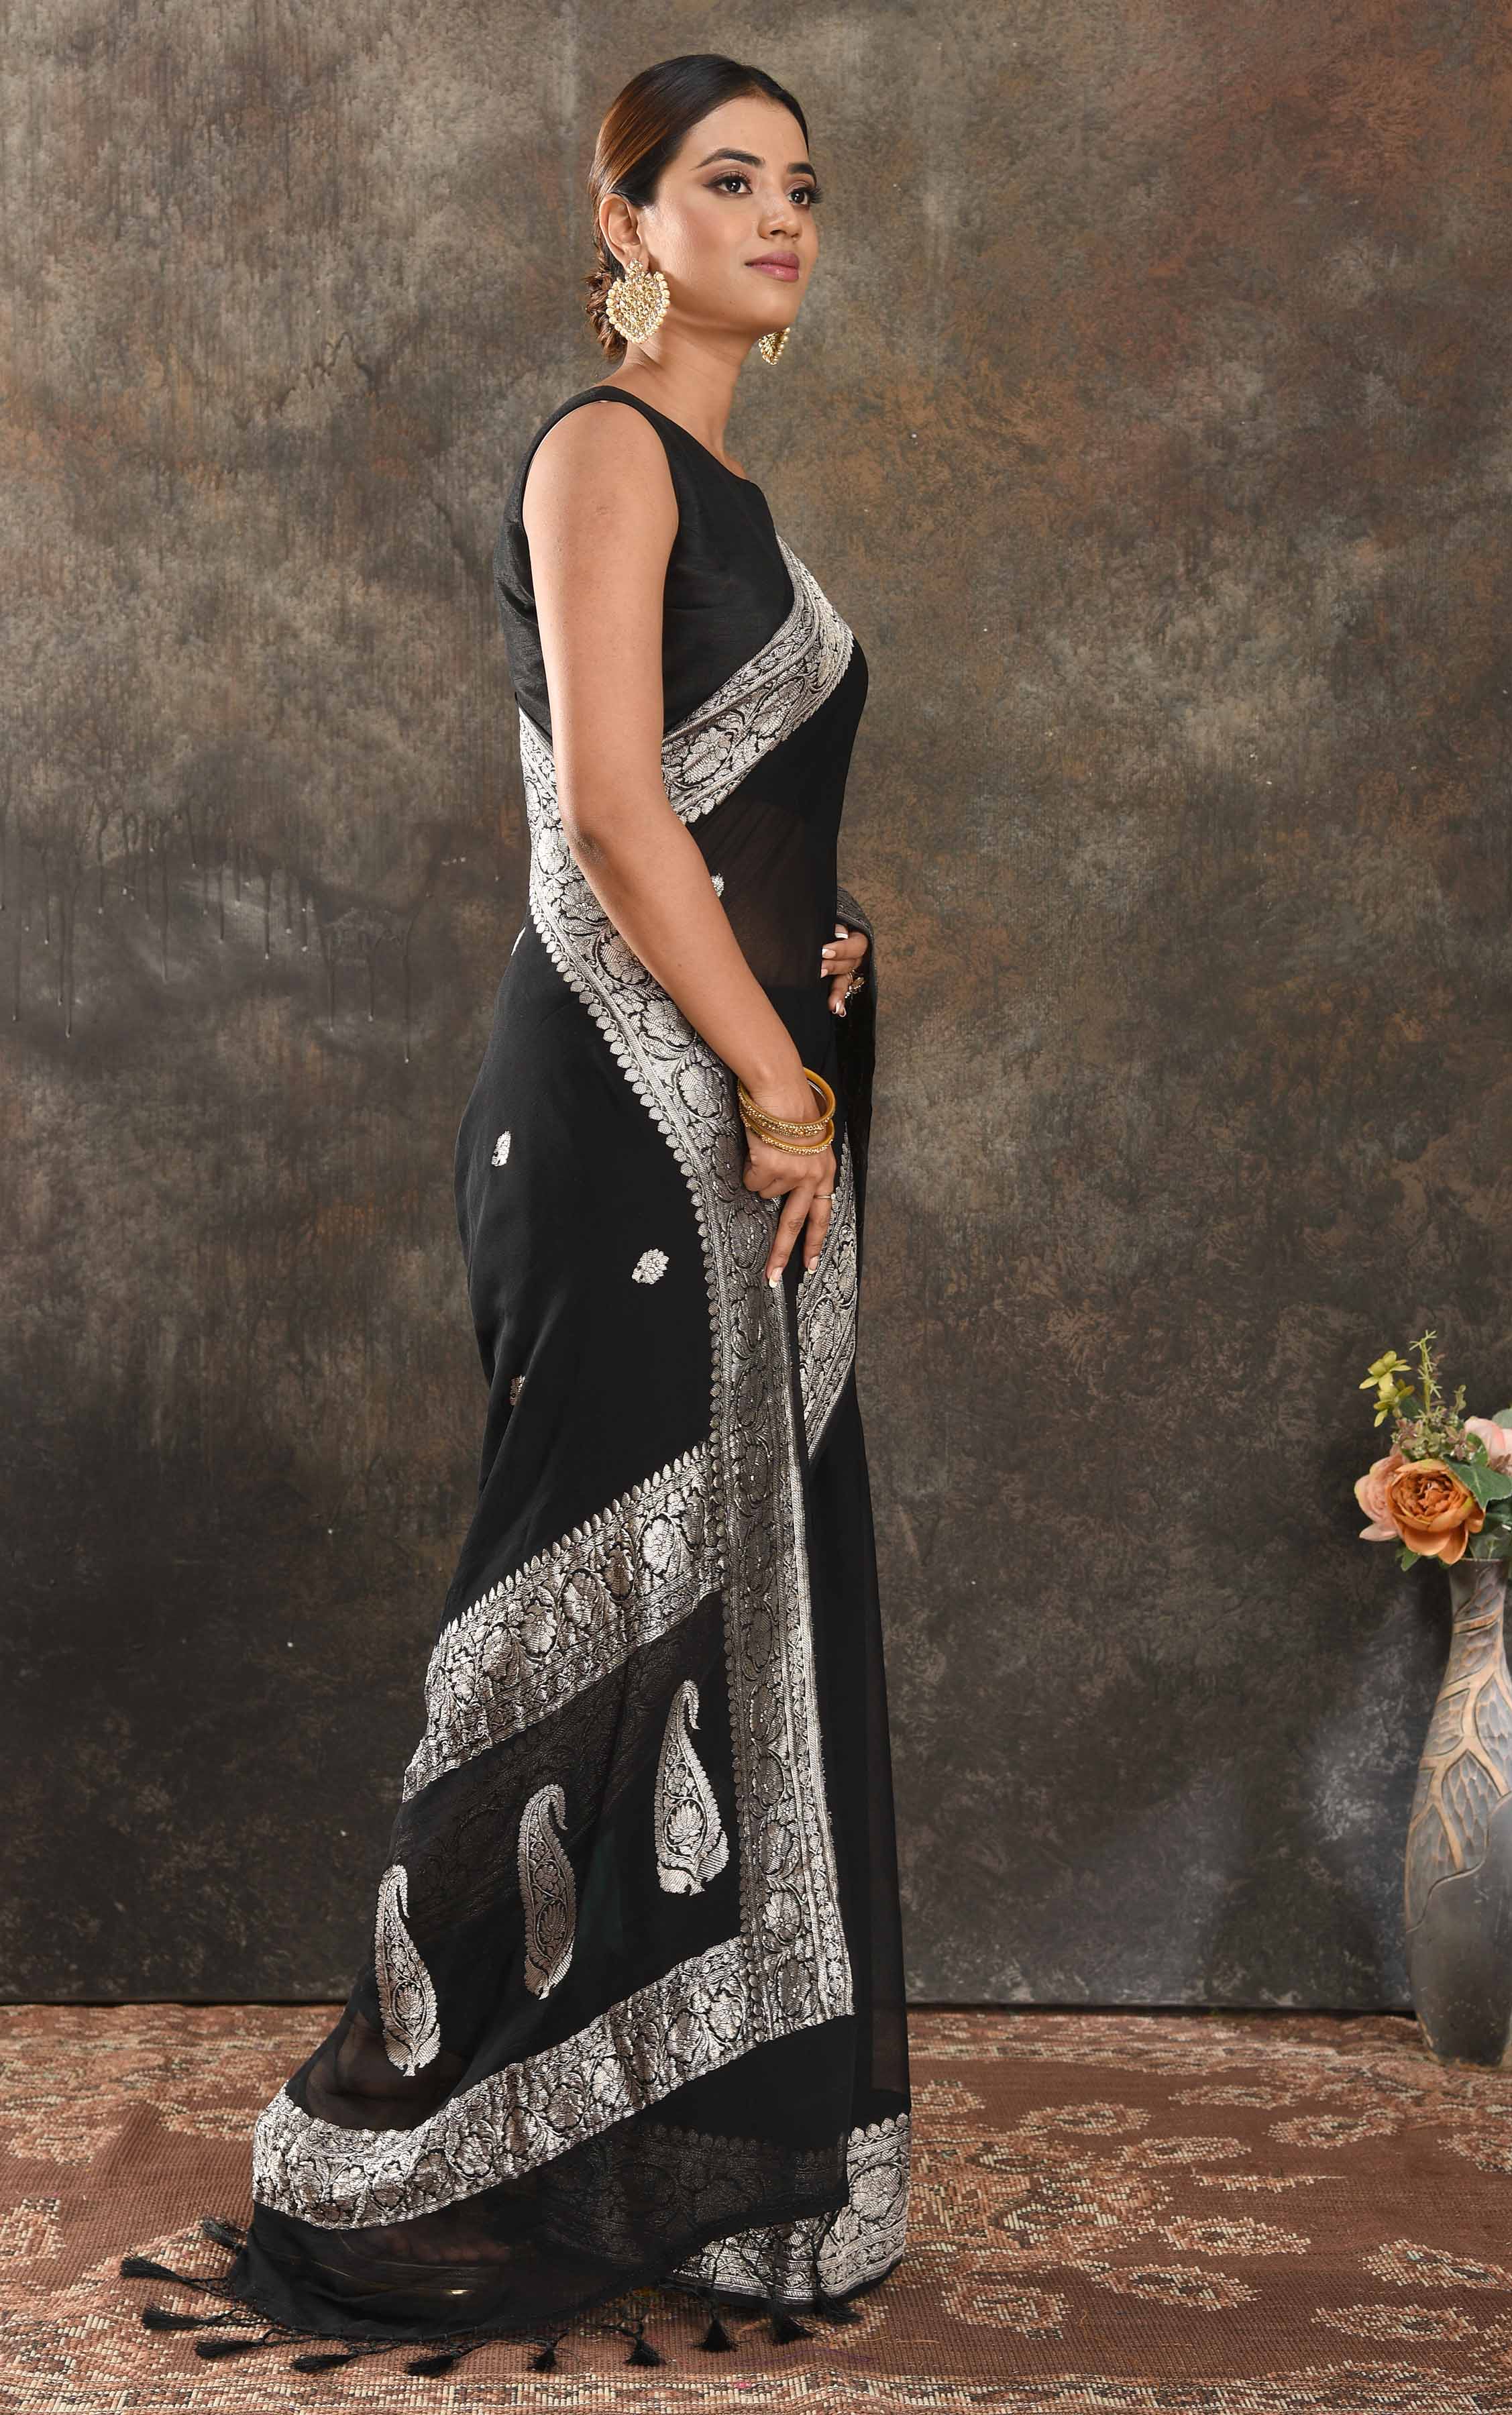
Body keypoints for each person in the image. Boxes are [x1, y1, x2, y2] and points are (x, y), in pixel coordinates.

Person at [121, 50, 911, 2381]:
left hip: (726, 1089)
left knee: (729, 1606)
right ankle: (406, 2148)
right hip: (636, 1120)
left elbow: (724, 815)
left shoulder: (734, 491)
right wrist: (773, 1075)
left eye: (800, 185)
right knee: (589, 1607)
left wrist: (819, 954)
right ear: (626, 220)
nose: (779, 216)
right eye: (727, 181)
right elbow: (608, 822)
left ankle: (688, 2163)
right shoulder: (604, 454)